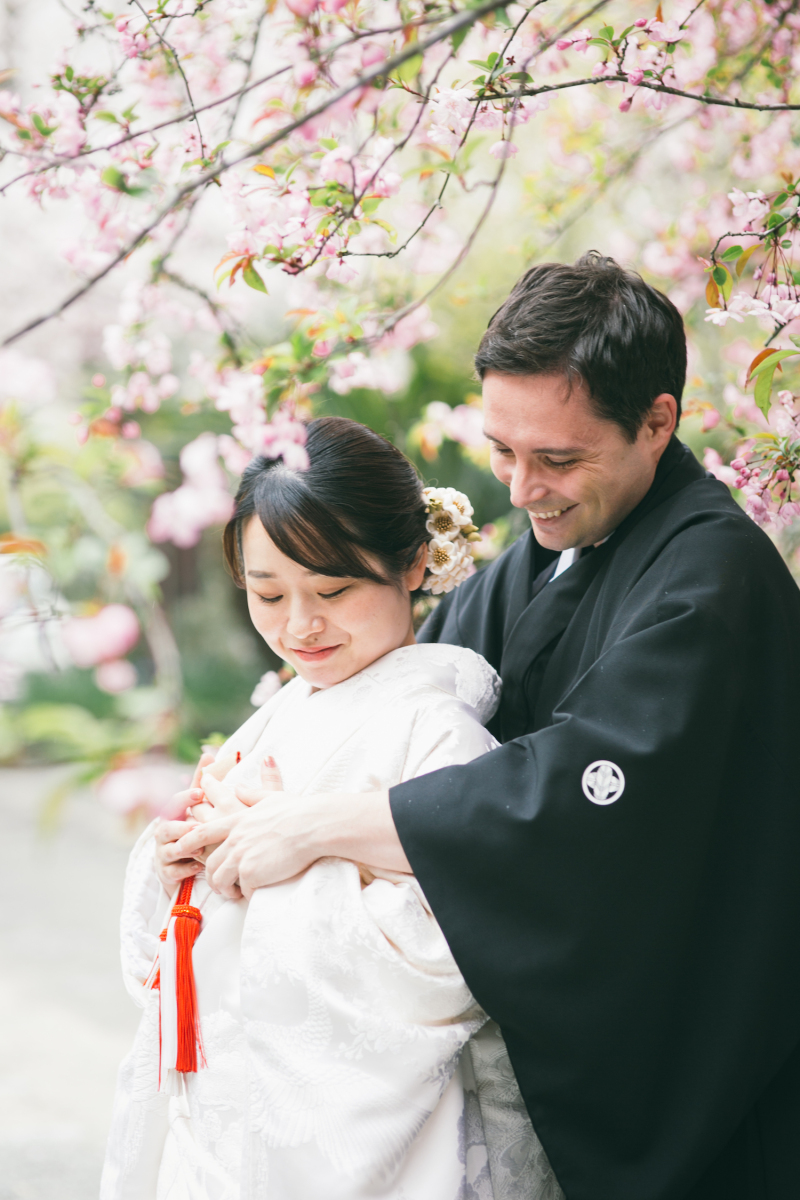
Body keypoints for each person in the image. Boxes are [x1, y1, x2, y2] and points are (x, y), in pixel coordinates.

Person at [173, 253, 800, 1200]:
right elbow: (401, 706)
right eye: (502, 449)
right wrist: (273, 785)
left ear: (657, 421)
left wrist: (310, 828)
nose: (520, 487)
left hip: (691, 1068)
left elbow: (567, 807)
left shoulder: (709, 588)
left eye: (557, 458)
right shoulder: (548, 556)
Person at [101, 416, 560, 1200]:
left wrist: (281, 857)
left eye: (333, 590)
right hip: (222, 1105)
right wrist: (182, 861)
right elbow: (170, 947)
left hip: (374, 1143)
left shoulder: (438, 734)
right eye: (268, 593)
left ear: (412, 564)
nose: (299, 626)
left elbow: (448, 955)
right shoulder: (285, 711)